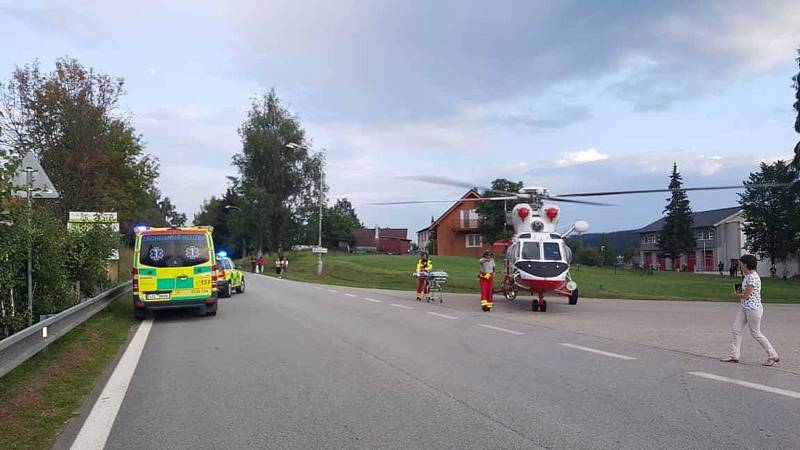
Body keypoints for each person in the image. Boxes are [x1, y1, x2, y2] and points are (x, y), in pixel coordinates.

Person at [721, 254, 780, 366]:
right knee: (736, 329)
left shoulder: (753, 277)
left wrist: (738, 294)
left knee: (756, 333)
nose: (740, 265)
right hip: (745, 308)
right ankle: (734, 355)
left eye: (741, 263)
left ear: (746, 264)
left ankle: (773, 355)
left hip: (753, 309)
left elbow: (746, 295)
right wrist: (741, 292)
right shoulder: (747, 276)